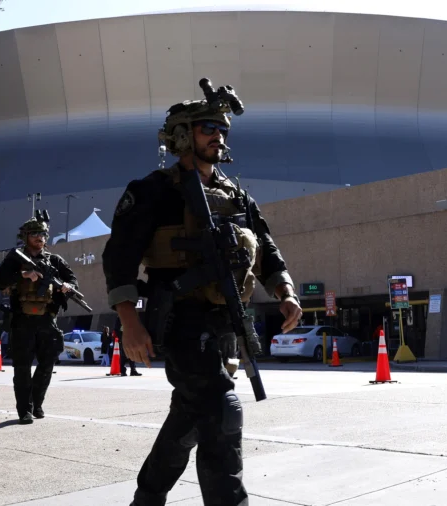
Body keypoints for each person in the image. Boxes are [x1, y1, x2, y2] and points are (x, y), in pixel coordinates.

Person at [102, 84, 302, 505]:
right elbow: (119, 257)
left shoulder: (235, 195)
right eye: (208, 127)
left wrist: (284, 289)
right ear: (181, 134)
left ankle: (148, 497)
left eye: (223, 129)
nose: (219, 136)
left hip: (225, 320)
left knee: (191, 417)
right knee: (223, 410)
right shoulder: (154, 190)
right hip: (179, 319)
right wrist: (129, 320)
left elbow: (264, 247)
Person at [0, 216, 78, 424]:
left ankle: (36, 403)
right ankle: (24, 410)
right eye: (35, 234)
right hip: (22, 320)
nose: (40, 238)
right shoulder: (15, 259)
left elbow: (72, 279)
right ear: (26, 236)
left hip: (47, 319)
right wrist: (23, 275)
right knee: (22, 367)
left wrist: (68, 286)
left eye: (43, 234)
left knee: (47, 364)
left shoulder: (55, 261)